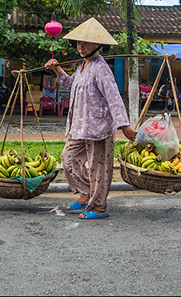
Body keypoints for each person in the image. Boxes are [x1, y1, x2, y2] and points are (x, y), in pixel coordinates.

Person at [44, 18, 137, 220]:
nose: (81, 46)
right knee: (68, 159)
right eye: (78, 43)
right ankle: (87, 194)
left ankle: (99, 207)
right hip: (80, 126)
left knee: (99, 168)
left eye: (85, 42)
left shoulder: (101, 68)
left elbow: (113, 96)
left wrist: (124, 125)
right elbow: (73, 84)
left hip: (100, 127)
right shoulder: (82, 66)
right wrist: (57, 70)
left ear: (98, 44)